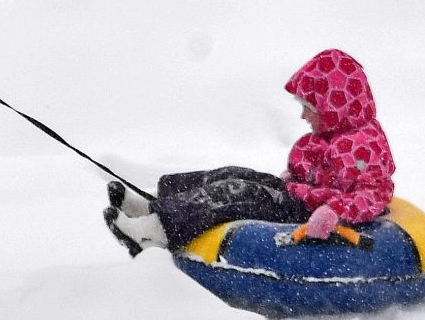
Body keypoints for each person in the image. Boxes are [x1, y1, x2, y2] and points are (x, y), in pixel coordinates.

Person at [104, 48, 396, 255]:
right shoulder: (337, 133)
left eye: (309, 108)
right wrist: (298, 177)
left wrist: (334, 212)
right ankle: (154, 205)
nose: (303, 116)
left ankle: (153, 231)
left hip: (308, 211)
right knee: (233, 174)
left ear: (334, 108)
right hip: (298, 195)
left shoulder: (362, 145)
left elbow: (375, 193)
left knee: (238, 192)